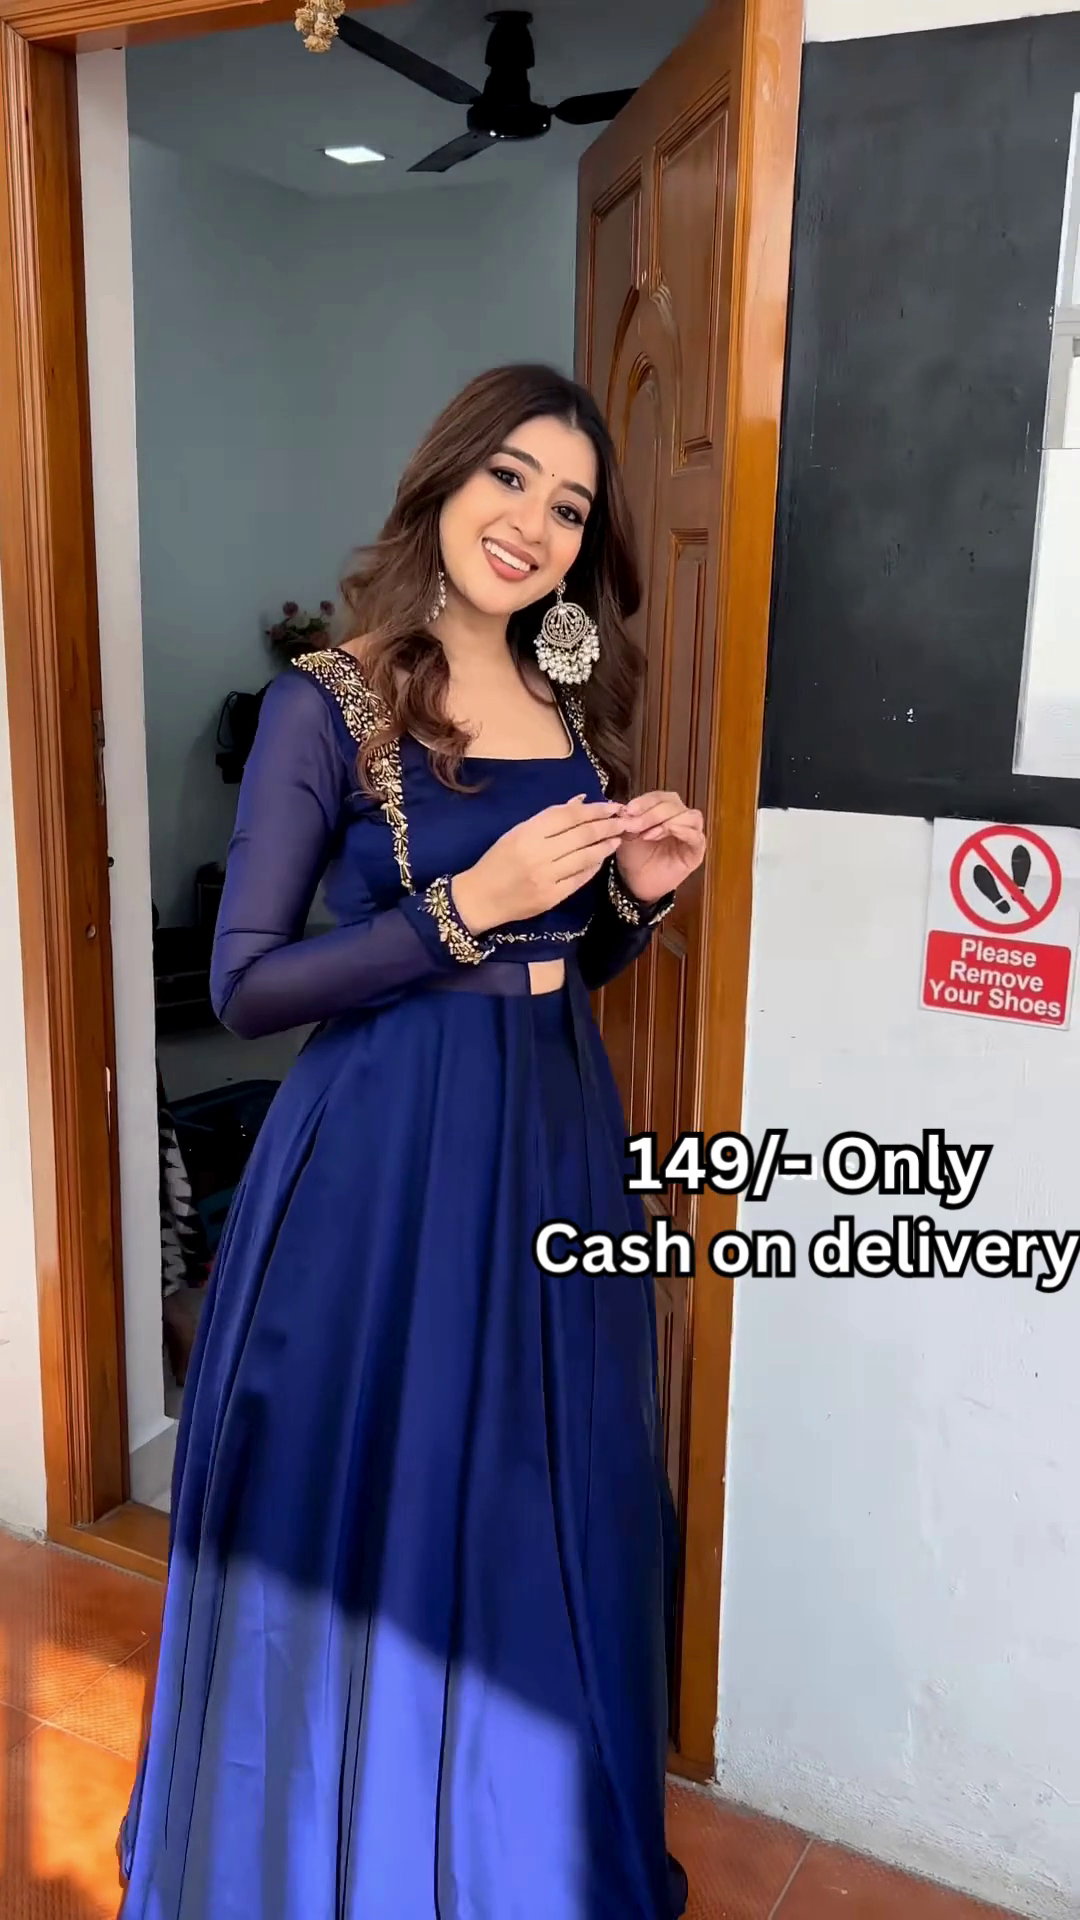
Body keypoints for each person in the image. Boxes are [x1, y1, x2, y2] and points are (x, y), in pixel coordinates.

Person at [118, 363, 706, 1919]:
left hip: (553, 1131)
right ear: (442, 481)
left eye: (569, 505)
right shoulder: (332, 702)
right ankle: (344, 1861)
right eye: (508, 477)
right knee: (381, 1492)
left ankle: (519, 1862)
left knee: (541, 1483)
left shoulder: (575, 703)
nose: (533, 523)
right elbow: (246, 986)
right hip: (381, 1155)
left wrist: (634, 898)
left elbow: (568, 959)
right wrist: (466, 907)